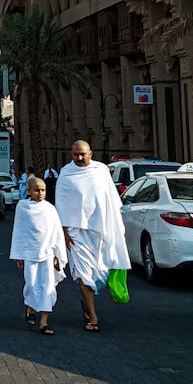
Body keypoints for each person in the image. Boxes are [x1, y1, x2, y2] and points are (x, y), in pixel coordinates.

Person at [56, 139, 131, 332]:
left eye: (83, 154)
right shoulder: (66, 174)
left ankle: (86, 305)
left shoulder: (101, 171)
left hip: (101, 231)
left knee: (99, 272)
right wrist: (63, 233)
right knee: (83, 276)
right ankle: (94, 318)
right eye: (75, 154)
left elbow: (112, 201)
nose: (79, 158)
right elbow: (61, 205)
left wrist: (115, 228)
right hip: (76, 234)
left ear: (91, 153)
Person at [9, 176, 67, 336]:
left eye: (43, 190)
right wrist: (18, 255)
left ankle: (44, 322)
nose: (40, 193)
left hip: (47, 254)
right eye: (36, 190)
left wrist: (57, 255)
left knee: (47, 287)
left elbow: (57, 233)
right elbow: (19, 231)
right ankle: (30, 308)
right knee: (32, 285)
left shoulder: (50, 209)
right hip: (29, 254)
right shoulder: (22, 207)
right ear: (28, 191)